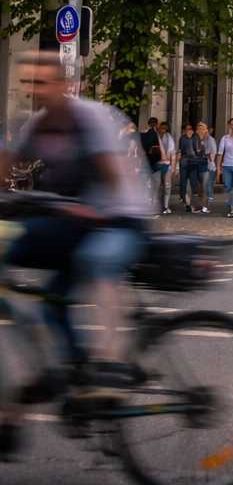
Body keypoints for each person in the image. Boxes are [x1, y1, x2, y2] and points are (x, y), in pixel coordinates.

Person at [0, 51, 151, 454]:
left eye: (41, 83)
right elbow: (5, 173)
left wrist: (72, 208)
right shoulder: (34, 125)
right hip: (76, 223)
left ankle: (110, 365)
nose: (34, 91)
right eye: (28, 83)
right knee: (49, 304)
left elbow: (116, 184)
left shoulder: (91, 120)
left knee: (96, 260)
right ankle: (69, 378)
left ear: (64, 85)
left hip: (121, 217)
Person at [139, 118, 168, 216]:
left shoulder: (142, 133)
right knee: (156, 185)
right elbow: (160, 148)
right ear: (156, 124)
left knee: (146, 185)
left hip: (145, 161)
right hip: (155, 162)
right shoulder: (155, 134)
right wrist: (163, 159)